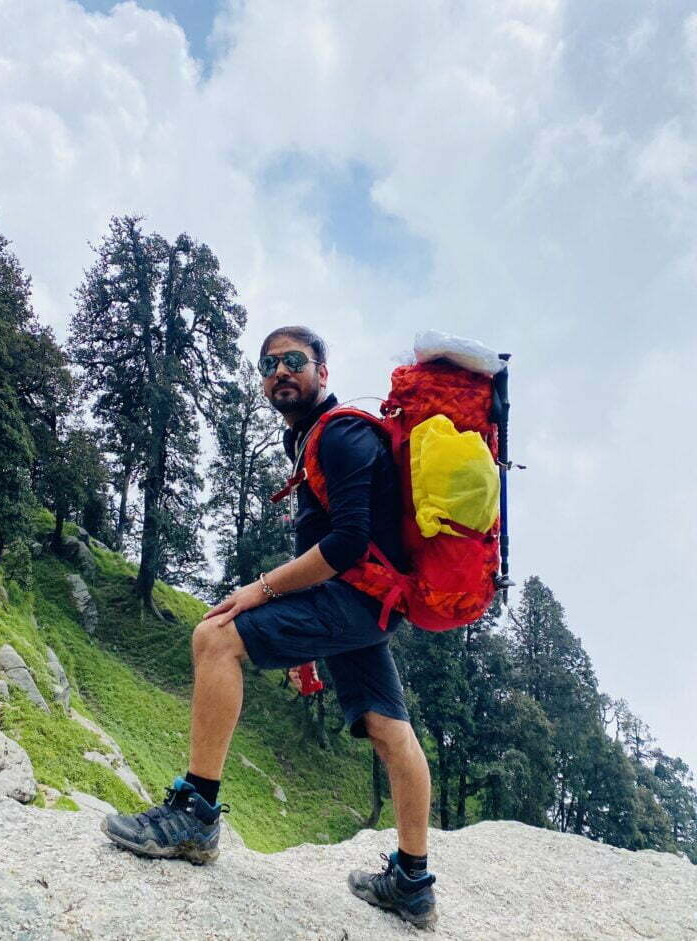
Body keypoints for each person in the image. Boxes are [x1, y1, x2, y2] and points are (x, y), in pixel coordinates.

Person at [101, 326, 437, 929]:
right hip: (368, 605)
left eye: (294, 360)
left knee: (215, 636)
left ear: (323, 372)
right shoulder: (316, 438)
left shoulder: (342, 435)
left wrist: (258, 589)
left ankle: (196, 816)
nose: (280, 371)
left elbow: (347, 542)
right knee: (389, 728)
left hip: (352, 598)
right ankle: (413, 884)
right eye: (268, 364)